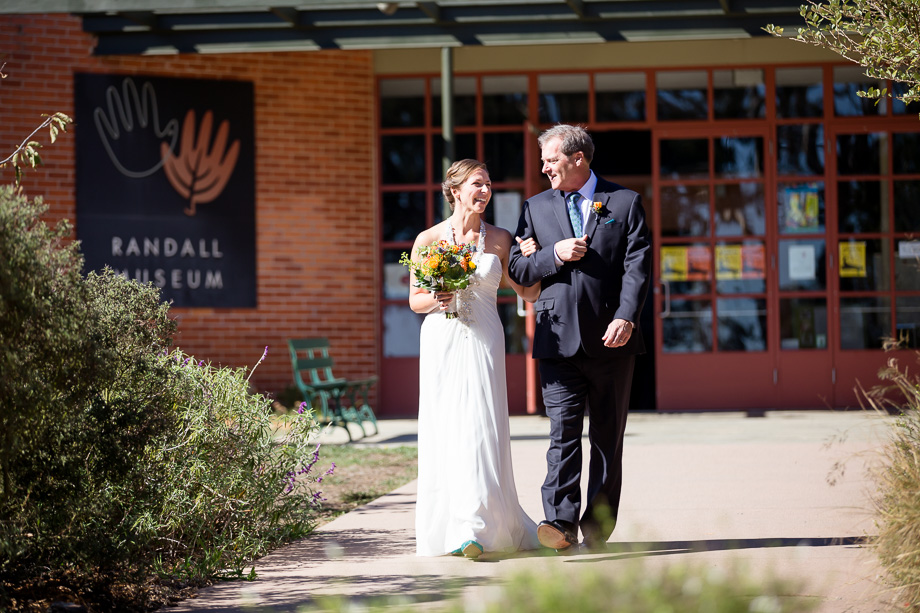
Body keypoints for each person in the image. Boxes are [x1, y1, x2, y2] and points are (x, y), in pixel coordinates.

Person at [508, 124, 652, 552]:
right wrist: (553, 255)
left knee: (608, 439)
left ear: (578, 159)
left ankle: (598, 529)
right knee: (562, 435)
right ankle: (560, 524)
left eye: (551, 159)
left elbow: (638, 268)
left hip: (613, 339)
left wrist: (627, 317)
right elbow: (518, 268)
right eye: (543, 160)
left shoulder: (624, 203)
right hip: (557, 339)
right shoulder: (534, 208)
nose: (543, 167)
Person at [410, 159, 541, 559]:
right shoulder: (428, 239)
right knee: (446, 427)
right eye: (477, 184)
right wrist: (438, 297)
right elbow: (415, 301)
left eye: (488, 184)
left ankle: (480, 526)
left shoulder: (501, 238)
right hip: (441, 340)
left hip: (485, 337)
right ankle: (454, 526)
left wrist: (531, 259)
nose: (485, 191)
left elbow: (529, 294)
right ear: (455, 190)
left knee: (482, 427)